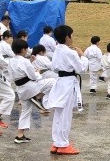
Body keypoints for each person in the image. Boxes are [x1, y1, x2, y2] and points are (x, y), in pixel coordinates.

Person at [44, 25, 87, 154]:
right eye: (71, 35)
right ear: (67, 37)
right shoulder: (70, 52)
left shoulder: (57, 49)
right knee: (65, 114)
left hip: (60, 82)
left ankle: (57, 142)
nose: (72, 38)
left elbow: (53, 67)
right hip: (67, 83)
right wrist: (82, 56)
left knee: (59, 113)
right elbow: (81, 69)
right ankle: (62, 144)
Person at [9, 38, 47, 144]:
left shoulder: (11, 61)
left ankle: (20, 135)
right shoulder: (25, 61)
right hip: (30, 87)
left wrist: (30, 63)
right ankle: (38, 97)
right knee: (52, 82)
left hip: (20, 89)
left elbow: (15, 74)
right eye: (26, 49)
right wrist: (38, 73)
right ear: (23, 50)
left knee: (26, 111)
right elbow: (33, 76)